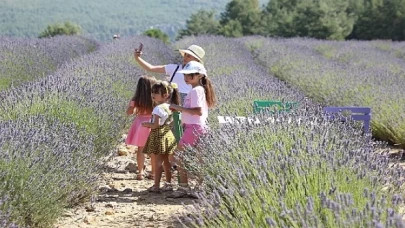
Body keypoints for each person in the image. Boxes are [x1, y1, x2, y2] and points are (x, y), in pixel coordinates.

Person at [169, 61, 216, 198]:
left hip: (194, 128)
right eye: (186, 74)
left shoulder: (196, 91)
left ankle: (184, 187)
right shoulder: (200, 90)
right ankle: (199, 188)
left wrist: (177, 108)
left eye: (189, 75)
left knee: (179, 156)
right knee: (200, 159)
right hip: (198, 127)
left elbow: (198, 111)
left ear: (198, 75)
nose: (186, 77)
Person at [134, 44, 206, 105]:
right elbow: (151, 68)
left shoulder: (200, 74)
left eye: (188, 56)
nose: (185, 57)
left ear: (197, 59)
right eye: (185, 55)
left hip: (190, 101)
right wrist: (137, 58)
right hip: (173, 99)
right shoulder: (174, 68)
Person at [142, 81, 180, 192]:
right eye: (152, 92)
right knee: (166, 161)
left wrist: (146, 124)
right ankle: (168, 184)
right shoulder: (169, 107)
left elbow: (155, 125)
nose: (153, 94)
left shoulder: (157, 109)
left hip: (158, 136)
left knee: (157, 162)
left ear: (165, 95)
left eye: (156, 92)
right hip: (167, 134)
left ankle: (156, 185)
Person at [125, 75, 157, 180]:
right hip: (152, 123)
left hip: (140, 124)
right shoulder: (154, 98)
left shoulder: (136, 99)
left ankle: (140, 172)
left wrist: (135, 109)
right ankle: (153, 173)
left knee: (141, 149)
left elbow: (129, 112)